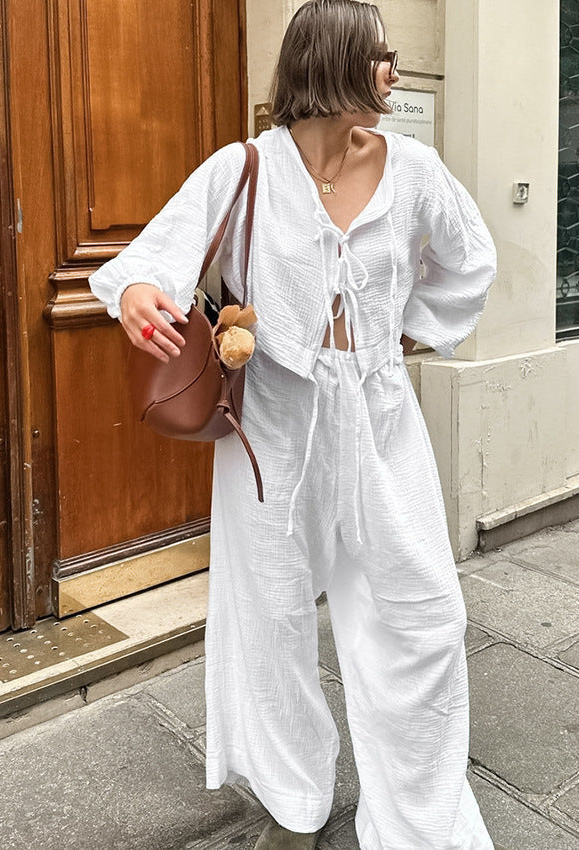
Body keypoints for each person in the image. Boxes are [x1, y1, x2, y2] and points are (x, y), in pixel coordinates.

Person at [89, 2, 499, 847]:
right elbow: (147, 263)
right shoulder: (243, 169)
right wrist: (136, 298)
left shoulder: (414, 170)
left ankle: (418, 814)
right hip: (273, 427)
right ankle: (292, 804)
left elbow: (472, 261)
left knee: (425, 616)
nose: (393, 71)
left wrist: (406, 330)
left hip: (383, 420)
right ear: (335, 64)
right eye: (379, 57)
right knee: (270, 619)